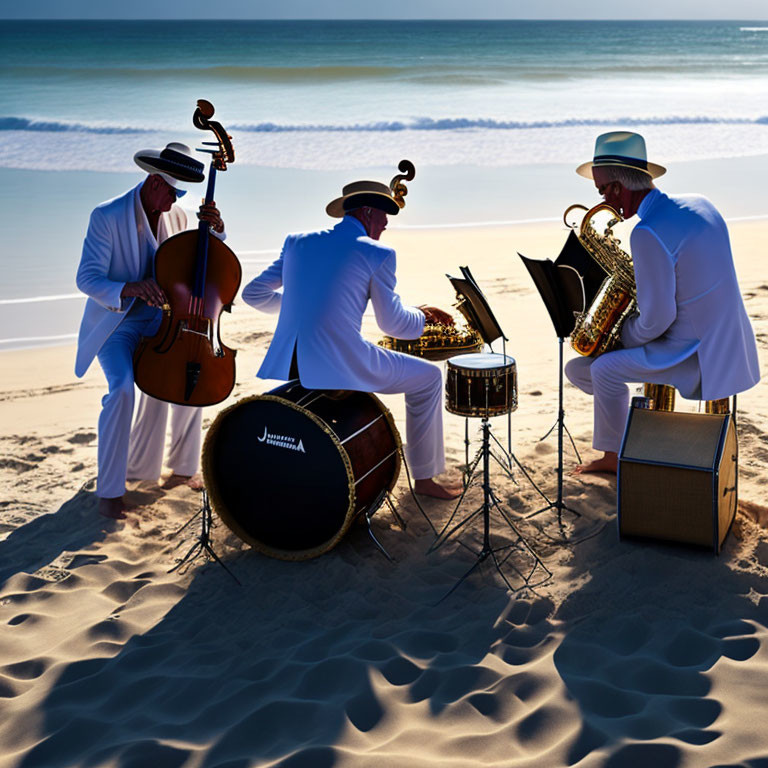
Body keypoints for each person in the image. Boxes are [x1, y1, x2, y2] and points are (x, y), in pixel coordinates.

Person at [242, 173, 461, 499]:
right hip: (341, 364)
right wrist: (423, 318)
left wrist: (302, 308)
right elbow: (394, 325)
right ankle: (426, 480)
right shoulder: (379, 253)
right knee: (428, 378)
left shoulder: (298, 241)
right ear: (369, 212)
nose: (387, 223)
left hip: (293, 363)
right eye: (385, 213)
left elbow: (253, 294)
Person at [565, 131, 760, 474]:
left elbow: (657, 320)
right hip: (731, 342)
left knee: (599, 370)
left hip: (697, 355)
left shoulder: (647, 232)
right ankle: (636, 437)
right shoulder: (699, 202)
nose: (601, 202)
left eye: (601, 192)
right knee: (582, 369)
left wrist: (618, 336)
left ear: (617, 189)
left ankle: (615, 459)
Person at [75, 142, 226, 519]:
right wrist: (129, 288)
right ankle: (110, 492)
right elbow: (86, 278)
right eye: (175, 193)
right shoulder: (106, 215)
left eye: (183, 194)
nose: (177, 203)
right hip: (117, 323)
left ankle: (182, 468)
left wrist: (217, 232)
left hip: (161, 320)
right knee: (123, 389)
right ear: (154, 181)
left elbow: (196, 263)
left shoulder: (176, 216)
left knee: (193, 367)